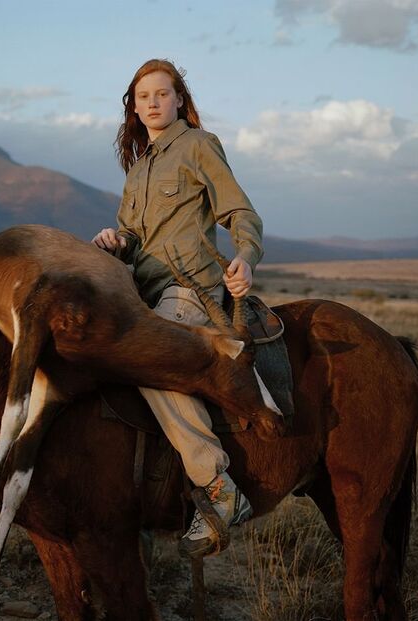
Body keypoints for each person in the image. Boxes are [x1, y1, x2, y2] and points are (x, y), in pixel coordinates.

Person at [92, 58, 270, 558]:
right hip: (142, 295)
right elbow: (134, 236)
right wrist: (115, 239)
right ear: (135, 105)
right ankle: (139, 506)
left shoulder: (197, 145)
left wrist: (246, 257)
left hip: (190, 292)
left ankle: (219, 488)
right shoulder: (138, 169)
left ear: (178, 99)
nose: (152, 102)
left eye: (162, 94)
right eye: (143, 96)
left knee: (151, 363)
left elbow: (240, 211)